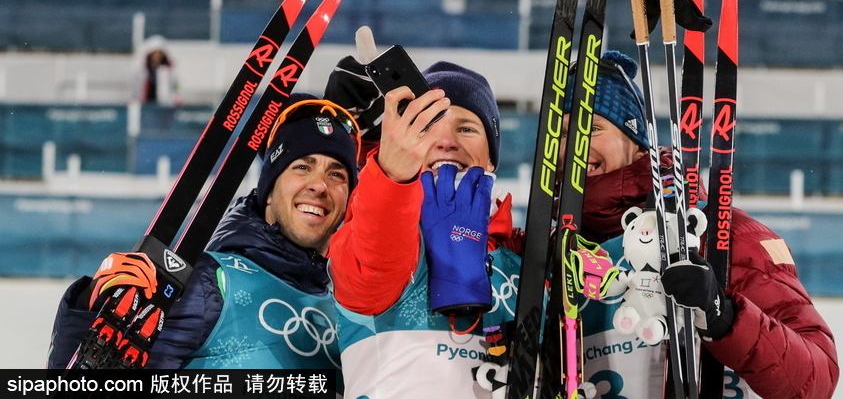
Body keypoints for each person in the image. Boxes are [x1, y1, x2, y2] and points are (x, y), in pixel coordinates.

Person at [569, 50, 839, 399]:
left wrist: (724, 317)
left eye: (590, 128)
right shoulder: (551, 245)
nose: (571, 147)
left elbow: (815, 380)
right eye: (558, 135)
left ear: (636, 142)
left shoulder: (728, 235)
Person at [47, 95, 359, 372]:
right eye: (302, 167)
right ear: (269, 188)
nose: (320, 185)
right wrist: (87, 314)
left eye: (336, 174)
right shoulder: (208, 285)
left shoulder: (349, 301)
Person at [327, 60, 520, 398]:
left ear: (491, 159)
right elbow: (372, 262)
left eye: (466, 129)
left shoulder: (523, 258)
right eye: (429, 127)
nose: (446, 141)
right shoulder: (389, 242)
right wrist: (391, 174)